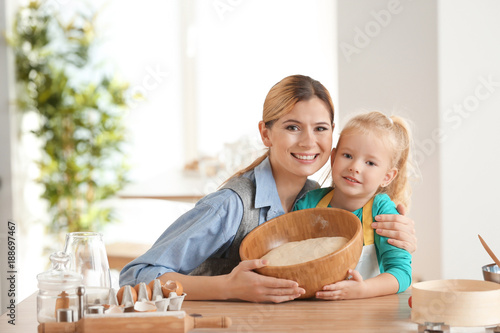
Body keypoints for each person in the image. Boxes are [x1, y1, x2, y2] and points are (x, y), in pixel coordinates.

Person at [119, 75, 417, 303]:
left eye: (320, 128)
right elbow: (135, 278)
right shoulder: (231, 206)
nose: (308, 142)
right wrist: (226, 287)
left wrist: (398, 230)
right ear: (266, 133)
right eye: (292, 127)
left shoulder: (317, 197)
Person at [294, 111, 414, 300]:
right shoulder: (308, 203)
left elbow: (401, 274)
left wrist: (364, 289)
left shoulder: (381, 211)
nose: (355, 167)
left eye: (370, 162)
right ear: (333, 158)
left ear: (387, 177)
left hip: (366, 316)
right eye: (347, 155)